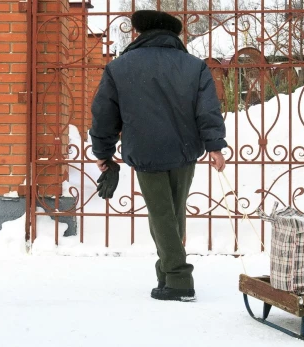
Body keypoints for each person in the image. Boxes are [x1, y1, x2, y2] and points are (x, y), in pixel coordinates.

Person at [89, 10, 227, 302]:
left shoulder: (120, 67)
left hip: (146, 149)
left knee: (162, 215)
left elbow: (104, 115)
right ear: (173, 34)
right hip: (185, 150)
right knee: (174, 213)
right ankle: (166, 273)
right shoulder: (194, 66)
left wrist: (103, 152)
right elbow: (208, 109)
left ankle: (178, 279)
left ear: (139, 32)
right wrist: (214, 145)